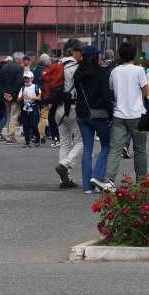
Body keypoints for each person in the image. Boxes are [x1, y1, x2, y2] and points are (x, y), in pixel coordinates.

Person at [92, 42, 149, 193]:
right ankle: (142, 183)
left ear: (120, 55)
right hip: (137, 114)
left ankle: (109, 180)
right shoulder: (139, 70)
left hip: (119, 114)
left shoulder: (115, 71)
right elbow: (146, 91)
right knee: (140, 150)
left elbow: (112, 90)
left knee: (115, 148)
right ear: (134, 54)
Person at [73, 45, 112, 194]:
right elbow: (106, 96)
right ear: (96, 57)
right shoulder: (102, 72)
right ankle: (96, 176)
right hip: (99, 114)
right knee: (106, 145)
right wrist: (111, 113)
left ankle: (86, 186)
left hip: (82, 114)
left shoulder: (78, 73)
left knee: (87, 148)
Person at [53, 39, 84, 189]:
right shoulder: (76, 68)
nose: (82, 54)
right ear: (73, 51)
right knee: (81, 141)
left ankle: (65, 180)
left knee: (64, 142)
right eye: (80, 51)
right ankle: (65, 164)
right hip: (73, 107)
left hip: (58, 109)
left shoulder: (57, 65)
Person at [0, 52, 24, 143]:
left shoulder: (3, 67)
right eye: (22, 59)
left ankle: (9, 134)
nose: (22, 61)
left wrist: (5, 93)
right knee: (14, 115)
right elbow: (19, 82)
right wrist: (12, 94)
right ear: (18, 59)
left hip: (5, 96)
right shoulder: (20, 68)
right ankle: (10, 136)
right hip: (14, 96)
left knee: (9, 115)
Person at [18, 71, 41, 148]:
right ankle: (27, 142)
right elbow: (18, 99)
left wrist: (32, 98)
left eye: (28, 78)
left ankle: (37, 138)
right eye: (25, 78)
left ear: (32, 78)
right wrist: (22, 97)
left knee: (34, 125)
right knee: (25, 126)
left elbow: (39, 97)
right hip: (25, 109)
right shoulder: (23, 87)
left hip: (33, 108)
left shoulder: (36, 87)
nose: (26, 80)